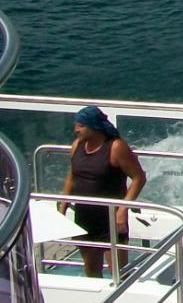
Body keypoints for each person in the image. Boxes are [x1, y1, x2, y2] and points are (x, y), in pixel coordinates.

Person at [58, 104, 146, 278]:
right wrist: (63, 205)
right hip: (84, 217)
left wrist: (123, 209)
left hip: (110, 219)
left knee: (118, 274)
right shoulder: (77, 145)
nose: (76, 129)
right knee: (91, 271)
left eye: (81, 125)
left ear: (94, 126)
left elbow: (138, 177)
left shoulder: (116, 147)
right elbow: (72, 176)